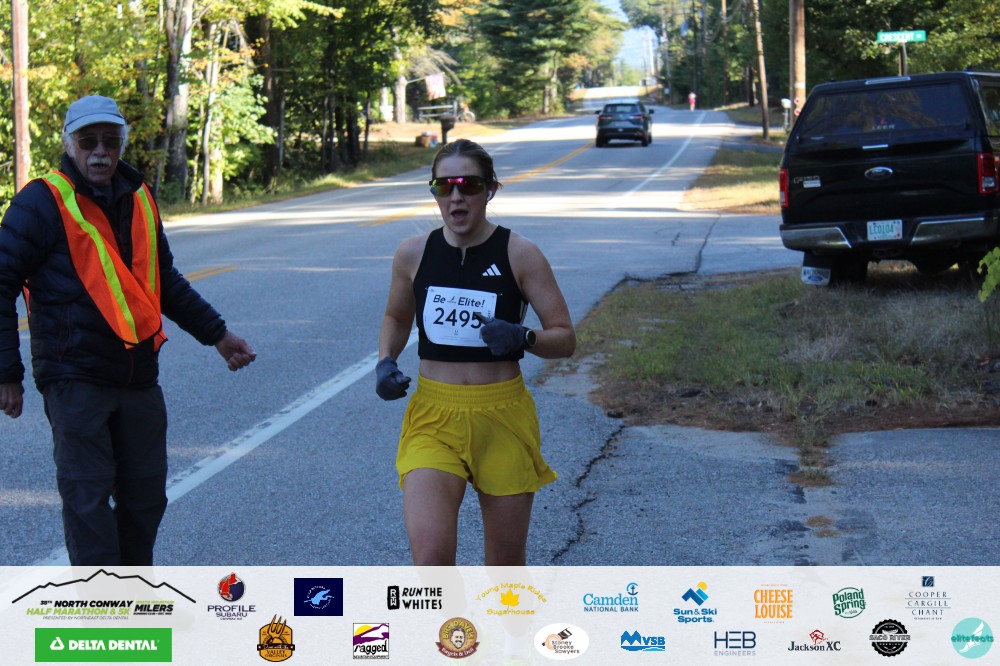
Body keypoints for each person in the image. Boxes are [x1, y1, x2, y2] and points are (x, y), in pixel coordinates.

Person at [0, 95, 256, 565]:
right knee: (88, 500)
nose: (100, 152)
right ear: (69, 144)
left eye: (110, 141)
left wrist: (218, 335)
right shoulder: (39, 202)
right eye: (88, 141)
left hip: (138, 375)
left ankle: (133, 587)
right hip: (73, 377)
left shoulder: (139, 196)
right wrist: (6, 373)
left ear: (122, 144)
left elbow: (164, 280)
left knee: (146, 498)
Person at [376, 138, 575, 566]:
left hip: (502, 416)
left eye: (468, 185)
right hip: (434, 417)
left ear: (490, 190)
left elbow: (564, 337)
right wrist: (385, 361)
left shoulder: (520, 254)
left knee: (504, 568)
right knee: (431, 560)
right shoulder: (412, 254)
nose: (455, 197)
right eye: (443, 186)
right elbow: (396, 316)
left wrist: (523, 337)